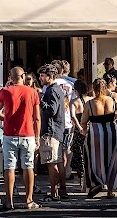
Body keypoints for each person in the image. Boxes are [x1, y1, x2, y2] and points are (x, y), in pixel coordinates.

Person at [0, 66, 41, 210]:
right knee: (28, 166)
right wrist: (38, 136)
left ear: (11, 77)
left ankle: (9, 201)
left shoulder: (5, 91)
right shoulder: (32, 92)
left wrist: (6, 117)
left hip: (10, 134)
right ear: (23, 76)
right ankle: (29, 200)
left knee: (9, 167)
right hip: (28, 133)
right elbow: (37, 118)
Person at [80, 77, 117, 199]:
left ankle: (96, 183)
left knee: (93, 159)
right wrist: (115, 116)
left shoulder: (90, 103)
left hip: (95, 133)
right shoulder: (111, 100)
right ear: (105, 88)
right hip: (111, 131)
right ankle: (110, 191)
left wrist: (83, 129)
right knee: (112, 160)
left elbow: (84, 121)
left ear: (93, 88)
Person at [39, 63, 67, 202]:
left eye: (42, 75)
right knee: (57, 161)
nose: (40, 77)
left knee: (52, 163)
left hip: (51, 131)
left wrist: (40, 100)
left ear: (50, 77)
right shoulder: (55, 90)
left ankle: (54, 193)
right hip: (57, 130)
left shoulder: (52, 91)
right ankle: (62, 191)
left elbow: (52, 110)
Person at [69, 79, 91, 188]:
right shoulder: (91, 100)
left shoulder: (74, 102)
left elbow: (73, 116)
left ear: (76, 90)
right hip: (90, 128)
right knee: (89, 155)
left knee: (80, 155)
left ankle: (82, 181)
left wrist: (78, 127)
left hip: (79, 131)